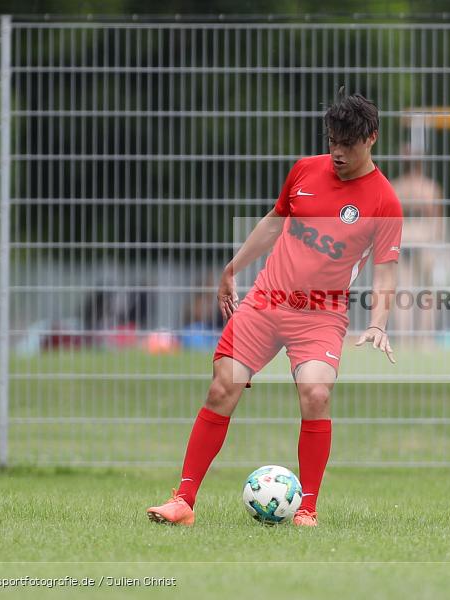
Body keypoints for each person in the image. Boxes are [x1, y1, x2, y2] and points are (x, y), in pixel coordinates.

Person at [147, 90, 403, 527]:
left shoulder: (384, 202)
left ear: (372, 139)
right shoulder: (305, 170)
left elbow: (385, 272)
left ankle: (308, 508)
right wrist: (233, 267)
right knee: (221, 389)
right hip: (266, 301)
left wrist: (379, 322)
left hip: (321, 315)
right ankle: (183, 501)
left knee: (316, 393)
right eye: (332, 141)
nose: (337, 152)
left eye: (349, 144)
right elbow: (274, 221)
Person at [391, 145, 444, 346]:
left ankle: (404, 340)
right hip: (424, 240)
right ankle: (425, 340)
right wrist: (439, 244)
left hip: (403, 240)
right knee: (427, 294)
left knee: (402, 293)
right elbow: (437, 219)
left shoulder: (395, 187)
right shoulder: (429, 188)